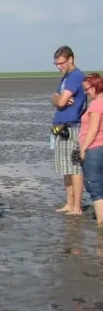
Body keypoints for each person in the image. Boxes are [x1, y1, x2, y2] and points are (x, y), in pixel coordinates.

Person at [51, 45, 87, 215]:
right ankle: (69, 202)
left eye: (61, 63)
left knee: (74, 168)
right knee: (65, 168)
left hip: (72, 127)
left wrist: (60, 99)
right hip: (61, 126)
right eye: (56, 64)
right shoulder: (66, 77)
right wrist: (58, 98)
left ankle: (76, 206)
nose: (59, 66)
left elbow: (60, 101)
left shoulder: (76, 76)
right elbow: (55, 98)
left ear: (70, 59)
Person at [78, 73, 103, 227]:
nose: (86, 92)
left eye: (87, 89)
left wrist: (83, 149)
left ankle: (101, 222)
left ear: (95, 87)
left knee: (95, 187)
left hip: (94, 149)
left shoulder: (96, 104)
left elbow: (93, 130)